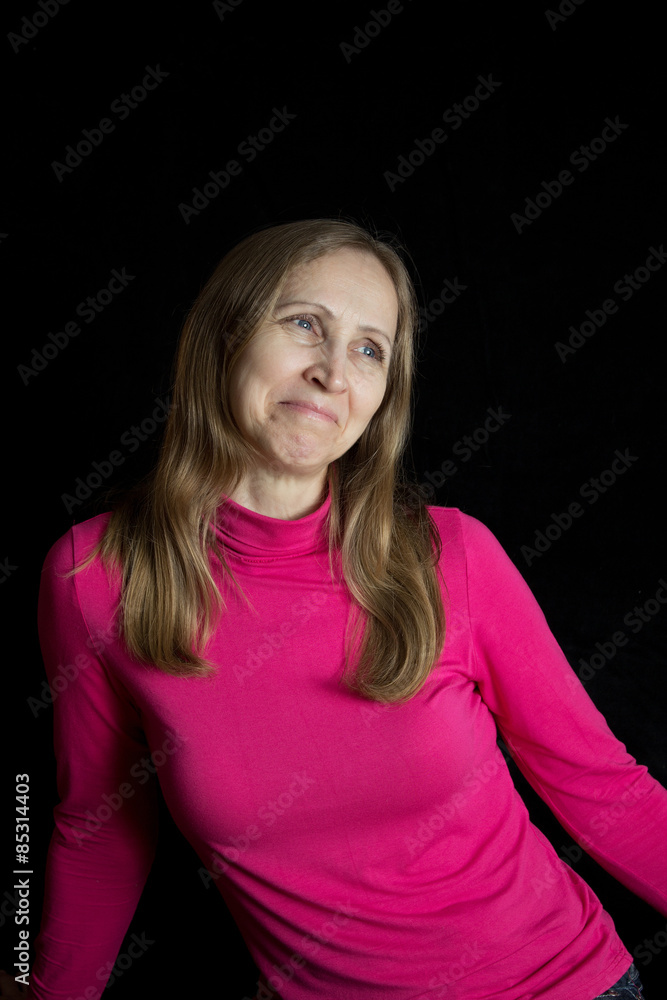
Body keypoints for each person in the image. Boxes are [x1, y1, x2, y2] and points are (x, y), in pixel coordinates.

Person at [3, 218, 664, 1000]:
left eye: (367, 348)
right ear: (224, 336)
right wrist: (40, 986)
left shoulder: (447, 555)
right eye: (303, 324)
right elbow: (99, 826)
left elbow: (603, 787)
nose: (331, 371)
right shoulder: (94, 577)